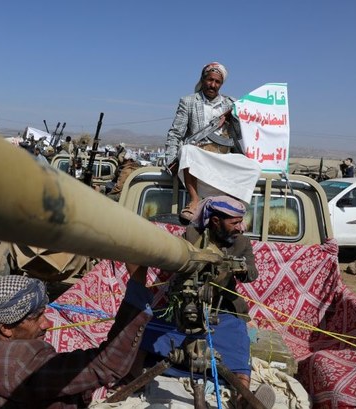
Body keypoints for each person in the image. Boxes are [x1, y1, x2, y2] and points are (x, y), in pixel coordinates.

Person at [131, 196, 273, 408]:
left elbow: (252, 273)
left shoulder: (242, 242)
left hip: (221, 310)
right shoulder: (191, 235)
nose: (240, 227)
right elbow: (176, 263)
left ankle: (242, 397)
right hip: (187, 307)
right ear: (216, 221)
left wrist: (239, 268)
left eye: (240, 221)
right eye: (234, 223)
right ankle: (133, 380)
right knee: (144, 327)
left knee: (238, 338)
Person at [0, 271, 152, 408]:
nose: (47, 323)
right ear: (5, 328)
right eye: (36, 317)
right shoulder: (25, 362)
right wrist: (137, 288)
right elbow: (107, 365)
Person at [165, 62, 245, 222]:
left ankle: (232, 204)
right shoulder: (188, 102)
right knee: (187, 150)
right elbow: (175, 134)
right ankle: (194, 200)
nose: (213, 85)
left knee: (253, 167)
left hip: (222, 159)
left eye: (217, 82)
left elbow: (242, 135)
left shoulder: (232, 104)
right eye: (210, 80)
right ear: (203, 79)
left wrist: (233, 120)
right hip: (198, 158)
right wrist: (171, 160)